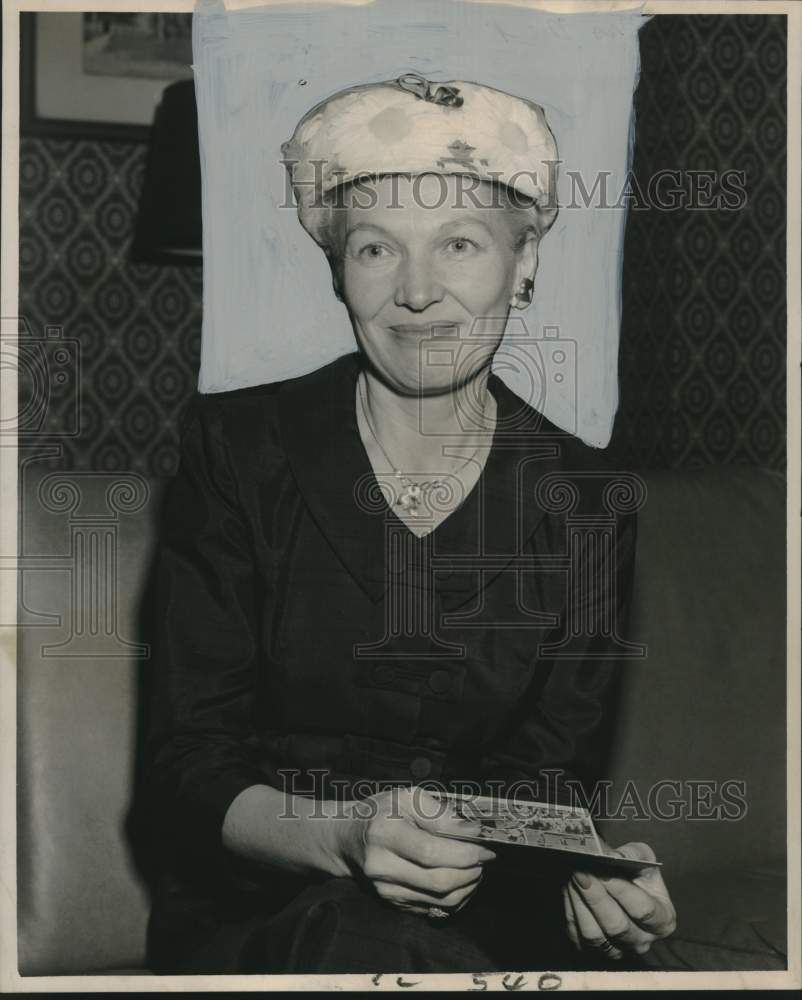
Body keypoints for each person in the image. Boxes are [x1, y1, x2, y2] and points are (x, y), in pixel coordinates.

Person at [144, 73, 676, 974]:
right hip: (270, 906)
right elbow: (187, 767)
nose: (417, 293)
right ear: (337, 267)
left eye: (460, 243)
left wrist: (590, 880)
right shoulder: (238, 450)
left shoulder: (589, 497)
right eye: (377, 249)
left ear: (526, 260)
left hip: (482, 904)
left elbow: (549, 779)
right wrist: (346, 837)